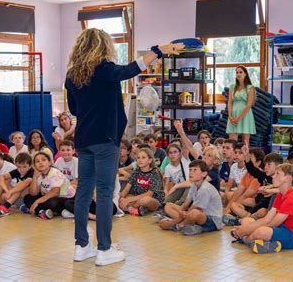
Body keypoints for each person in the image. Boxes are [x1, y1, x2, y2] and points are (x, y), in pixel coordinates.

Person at [65, 27, 183, 265]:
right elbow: (132, 68)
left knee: (84, 193)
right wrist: (159, 51)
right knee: (106, 191)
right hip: (105, 140)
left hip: (84, 140)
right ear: (102, 47)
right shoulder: (104, 70)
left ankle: (82, 245)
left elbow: (75, 110)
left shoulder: (72, 75)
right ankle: (104, 249)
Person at [231, 163, 293, 254]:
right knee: (247, 220)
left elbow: (274, 223)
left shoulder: (291, 199)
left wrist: (244, 231)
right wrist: (245, 228)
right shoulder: (280, 194)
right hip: (284, 229)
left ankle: (245, 239)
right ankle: (262, 243)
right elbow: (267, 219)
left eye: (277, 174)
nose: (273, 176)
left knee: (260, 231)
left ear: (287, 178)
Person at [159, 160, 223, 236]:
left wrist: (171, 223)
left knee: (194, 213)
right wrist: (181, 212)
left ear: (204, 174)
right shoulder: (194, 185)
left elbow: (192, 211)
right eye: (190, 170)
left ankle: (178, 226)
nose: (191, 172)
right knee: (168, 205)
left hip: (212, 221)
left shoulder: (204, 189)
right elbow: (184, 205)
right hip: (197, 215)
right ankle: (190, 225)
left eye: (195, 170)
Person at [21, 152, 76, 220]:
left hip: (66, 198)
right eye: (37, 161)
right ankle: (41, 212)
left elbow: (55, 192)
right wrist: (35, 178)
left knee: (52, 203)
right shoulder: (39, 174)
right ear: (34, 166)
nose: (40, 162)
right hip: (50, 197)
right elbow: (33, 193)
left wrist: (37, 201)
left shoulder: (54, 172)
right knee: (27, 198)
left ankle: (58, 210)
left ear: (49, 162)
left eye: (43, 160)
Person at [119, 147, 164, 216]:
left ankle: (130, 207)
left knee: (145, 200)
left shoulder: (155, 173)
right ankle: (137, 209)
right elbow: (126, 189)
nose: (140, 160)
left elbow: (149, 194)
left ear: (150, 160)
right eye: (138, 158)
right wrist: (122, 198)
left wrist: (128, 200)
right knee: (120, 195)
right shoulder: (136, 172)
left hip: (152, 201)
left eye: (143, 157)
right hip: (136, 197)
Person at [226, 65, 256, 145]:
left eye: (240, 72)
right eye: (237, 72)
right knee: (231, 142)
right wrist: (230, 115)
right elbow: (229, 102)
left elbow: (249, 105)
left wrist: (238, 118)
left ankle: (245, 157)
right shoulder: (232, 87)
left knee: (245, 143)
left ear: (245, 74)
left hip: (245, 115)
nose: (238, 74)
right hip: (233, 115)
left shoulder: (250, 88)